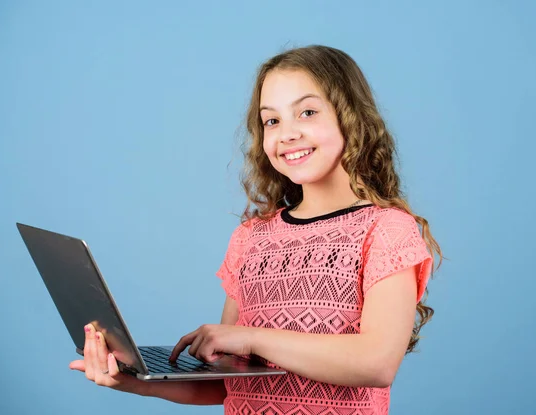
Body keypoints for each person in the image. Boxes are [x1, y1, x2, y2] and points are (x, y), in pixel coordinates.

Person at [70, 45, 443, 415]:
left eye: (307, 112)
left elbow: (376, 363)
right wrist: (134, 380)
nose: (287, 133)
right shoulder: (252, 238)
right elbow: (227, 383)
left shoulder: (386, 231)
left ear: (351, 119)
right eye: (272, 120)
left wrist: (249, 337)